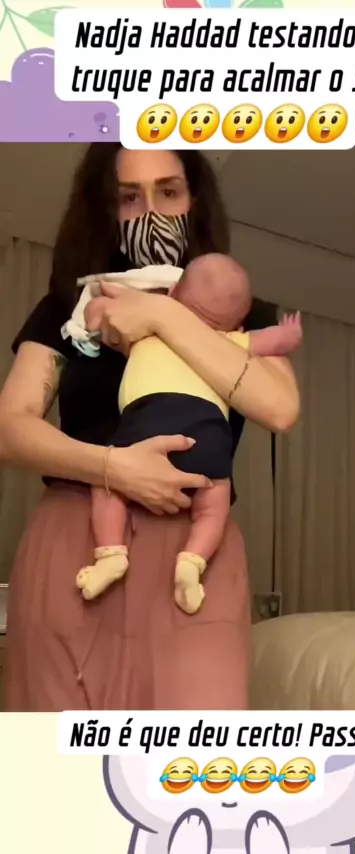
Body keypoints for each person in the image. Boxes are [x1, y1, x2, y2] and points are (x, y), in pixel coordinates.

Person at [0, 144, 300, 711]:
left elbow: (280, 407)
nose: (152, 212)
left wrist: (162, 313)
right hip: (77, 541)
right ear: (105, 209)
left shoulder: (243, 311)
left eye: (169, 191)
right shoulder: (71, 307)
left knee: (196, 750)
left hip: (197, 550)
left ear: (195, 201)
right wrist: (114, 467)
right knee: (57, 754)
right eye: (129, 197)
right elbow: (10, 429)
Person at [75, 253, 302, 612]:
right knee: (214, 503)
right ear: (238, 322)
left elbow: (100, 316)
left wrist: (102, 299)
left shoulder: (147, 331)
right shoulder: (230, 342)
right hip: (206, 431)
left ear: (174, 292)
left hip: (145, 421)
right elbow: (271, 343)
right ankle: (192, 561)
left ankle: (111, 554)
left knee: (108, 484)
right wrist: (288, 334)